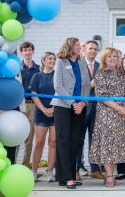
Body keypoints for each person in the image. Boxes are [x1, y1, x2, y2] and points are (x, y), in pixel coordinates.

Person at [89, 47, 125, 188]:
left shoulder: (122, 74)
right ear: (104, 59)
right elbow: (101, 96)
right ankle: (109, 178)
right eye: (110, 57)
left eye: (115, 56)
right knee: (108, 146)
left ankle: (111, 175)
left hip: (120, 116)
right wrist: (119, 108)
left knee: (116, 146)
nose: (113, 59)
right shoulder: (100, 73)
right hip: (106, 115)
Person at [53, 38, 91, 189]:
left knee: (75, 141)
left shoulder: (82, 62)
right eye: (77, 45)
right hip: (63, 106)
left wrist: (82, 103)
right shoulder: (60, 62)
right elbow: (58, 86)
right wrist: (72, 103)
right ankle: (67, 177)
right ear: (70, 46)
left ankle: (67, 175)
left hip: (79, 107)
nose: (79, 47)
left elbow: (87, 84)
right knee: (63, 140)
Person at [76, 40, 103, 180]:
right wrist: (89, 86)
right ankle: (75, 170)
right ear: (85, 50)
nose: (93, 51)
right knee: (78, 139)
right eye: (90, 48)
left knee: (95, 140)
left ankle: (95, 169)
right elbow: (76, 86)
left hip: (97, 110)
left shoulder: (100, 66)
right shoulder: (78, 65)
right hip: (81, 108)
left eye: (95, 49)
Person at [29, 52, 57, 182]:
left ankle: (49, 171)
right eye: (50, 58)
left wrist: (52, 108)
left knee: (53, 142)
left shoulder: (57, 75)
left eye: (54, 59)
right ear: (43, 60)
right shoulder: (37, 76)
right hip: (41, 113)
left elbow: (60, 93)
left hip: (56, 112)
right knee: (39, 143)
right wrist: (44, 109)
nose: (52, 61)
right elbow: (34, 94)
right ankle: (34, 171)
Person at [20, 41, 40, 168]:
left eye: (29, 50)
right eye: (25, 50)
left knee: (29, 137)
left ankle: (26, 165)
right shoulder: (17, 69)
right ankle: (12, 165)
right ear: (22, 52)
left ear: (33, 51)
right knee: (15, 135)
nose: (27, 53)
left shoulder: (38, 69)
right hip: (19, 105)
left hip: (32, 105)